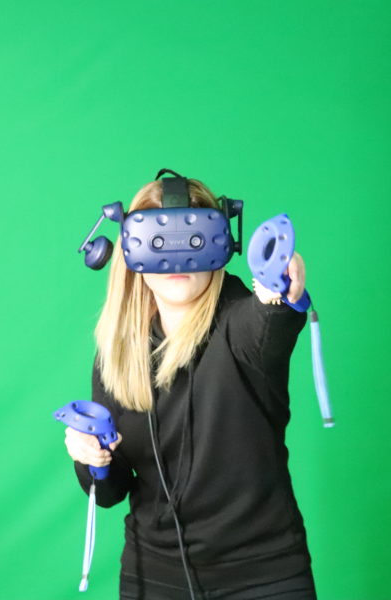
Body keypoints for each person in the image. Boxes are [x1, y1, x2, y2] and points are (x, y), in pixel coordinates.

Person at [65, 175, 317, 599]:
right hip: (155, 575)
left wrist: (282, 291)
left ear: (221, 245)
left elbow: (270, 320)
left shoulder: (243, 324)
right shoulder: (118, 352)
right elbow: (108, 493)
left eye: (194, 241)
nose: (178, 260)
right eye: (159, 242)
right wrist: (93, 458)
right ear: (130, 249)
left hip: (265, 575)